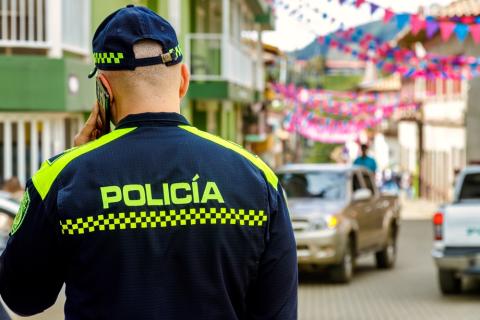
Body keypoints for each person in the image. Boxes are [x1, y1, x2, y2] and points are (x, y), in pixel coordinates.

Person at [0, 6, 297, 320]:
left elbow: (22, 297)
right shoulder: (257, 178)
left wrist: (80, 162)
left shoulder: (60, 180)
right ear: (183, 79)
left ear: (104, 88)